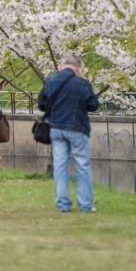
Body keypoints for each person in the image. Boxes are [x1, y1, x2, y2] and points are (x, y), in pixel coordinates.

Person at [39, 54, 100, 213]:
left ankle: (62, 204)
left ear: (61, 66)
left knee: (60, 165)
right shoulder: (82, 84)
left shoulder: (51, 81)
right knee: (82, 165)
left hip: (56, 128)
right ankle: (85, 204)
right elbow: (93, 105)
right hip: (77, 128)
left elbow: (41, 104)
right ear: (77, 68)